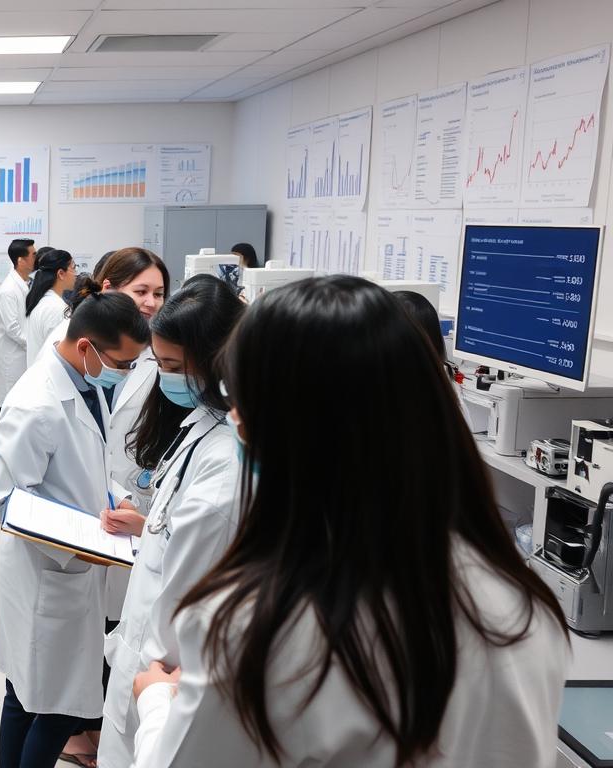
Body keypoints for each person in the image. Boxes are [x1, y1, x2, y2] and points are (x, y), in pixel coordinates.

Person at [131, 276, 570, 766]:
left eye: (239, 398)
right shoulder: (524, 607)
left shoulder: (256, 626)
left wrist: (155, 701)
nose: (234, 416)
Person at [0, 289, 150, 768]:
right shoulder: (37, 404)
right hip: (51, 575)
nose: (127, 371)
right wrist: (76, 550)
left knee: (26, 695)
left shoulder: (82, 382)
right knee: (57, 709)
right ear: (87, 347)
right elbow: (7, 503)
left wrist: (115, 496)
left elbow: (89, 463)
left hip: (76, 567)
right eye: (123, 362)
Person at [96, 275, 246, 768]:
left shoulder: (226, 466)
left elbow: (184, 606)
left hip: (162, 670)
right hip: (143, 663)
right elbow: (181, 528)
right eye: (159, 363)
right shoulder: (202, 421)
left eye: (173, 367)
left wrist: (149, 680)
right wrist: (150, 524)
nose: (163, 377)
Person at [48, 247, 169, 763]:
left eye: (159, 293)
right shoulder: (94, 358)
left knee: (112, 625)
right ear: (105, 287)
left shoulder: (143, 356)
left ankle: (85, 727)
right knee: (96, 626)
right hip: (95, 510)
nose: (149, 302)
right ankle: (78, 731)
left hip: (122, 506)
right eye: (139, 291)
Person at [0, 238, 36, 408]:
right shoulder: (8, 290)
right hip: (15, 356)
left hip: (24, 354)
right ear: (21, 260)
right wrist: (34, 344)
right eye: (33, 255)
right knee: (10, 403)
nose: (37, 258)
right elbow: (12, 329)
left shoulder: (25, 284)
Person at [23, 248, 76, 367]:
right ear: (61, 274)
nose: (76, 274)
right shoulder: (56, 308)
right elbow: (61, 352)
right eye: (73, 268)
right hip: (49, 375)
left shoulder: (43, 301)